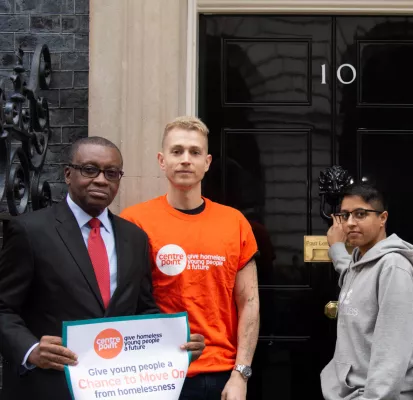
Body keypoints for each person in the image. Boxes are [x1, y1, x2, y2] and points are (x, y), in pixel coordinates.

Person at [0, 137, 205, 400]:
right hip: (50, 386)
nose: (100, 180)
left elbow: (142, 309)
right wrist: (30, 350)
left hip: (117, 389)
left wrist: (176, 343)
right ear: (68, 174)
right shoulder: (30, 231)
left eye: (111, 173)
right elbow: (4, 307)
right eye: (89, 170)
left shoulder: (135, 238)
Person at [120, 116, 260, 400]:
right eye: (177, 151)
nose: (185, 159)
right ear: (162, 160)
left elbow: (249, 302)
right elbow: (123, 301)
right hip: (155, 371)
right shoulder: (134, 221)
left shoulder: (234, 222)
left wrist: (241, 374)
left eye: (195, 152)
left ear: (207, 162)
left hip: (221, 375)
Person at [322, 183, 413, 400]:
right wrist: (336, 248)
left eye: (360, 214)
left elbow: (392, 349)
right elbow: (349, 270)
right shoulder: (359, 263)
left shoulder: (394, 268)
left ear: (383, 218)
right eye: (345, 215)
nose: (350, 223)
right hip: (349, 392)